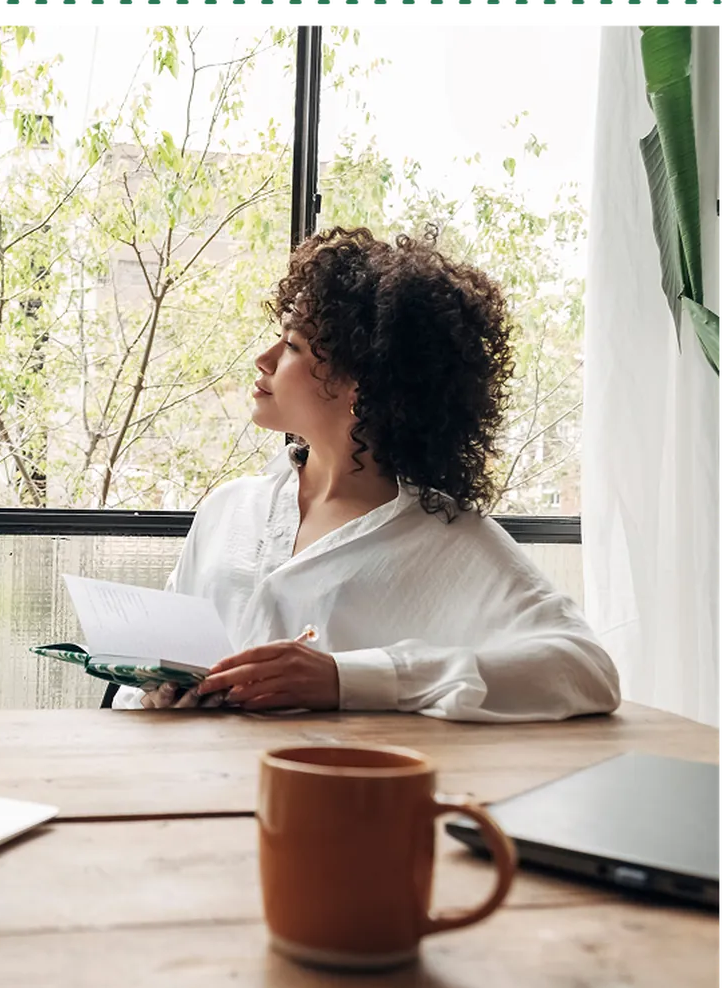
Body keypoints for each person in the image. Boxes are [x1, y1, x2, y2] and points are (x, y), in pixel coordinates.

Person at [114, 226, 620, 722]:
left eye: (292, 345)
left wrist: (344, 679)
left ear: (361, 382)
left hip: (336, 799)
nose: (263, 358)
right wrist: (158, 698)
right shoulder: (228, 510)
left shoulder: (444, 540)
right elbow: (138, 687)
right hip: (191, 793)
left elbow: (585, 669)